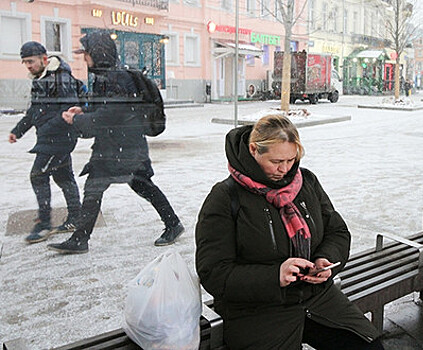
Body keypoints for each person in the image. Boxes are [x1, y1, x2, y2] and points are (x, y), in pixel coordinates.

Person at [195, 115, 384, 349]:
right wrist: (275, 276)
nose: (284, 170)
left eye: (291, 160)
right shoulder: (225, 198)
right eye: (276, 161)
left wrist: (325, 260)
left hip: (315, 295)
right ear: (254, 150)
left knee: (369, 346)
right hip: (257, 311)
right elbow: (213, 272)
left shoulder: (306, 182)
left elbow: (337, 231)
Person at [47, 32, 184, 254]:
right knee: (114, 186)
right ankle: (81, 238)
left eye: (87, 54)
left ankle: (172, 224)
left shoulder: (118, 79)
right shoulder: (107, 77)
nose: (84, 59)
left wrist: (77, 120)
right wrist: (83, 111)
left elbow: (108, 116)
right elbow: (105, 110)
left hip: (124, 149)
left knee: (135, 186)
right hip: (117, 147)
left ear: (97, 54)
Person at [9, 41, 83, 243]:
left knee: (38, 175)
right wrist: (18, 130)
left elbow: (68, 111)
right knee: (63, 176)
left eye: (31, 61)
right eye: (25, 62)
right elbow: (34, 110)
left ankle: (43, 224)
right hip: (52, 139)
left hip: (58, 139)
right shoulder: (40, 78)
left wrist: (45, 130)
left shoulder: (61, 78)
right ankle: (76, 217)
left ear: (44, 59)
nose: (28, 66)